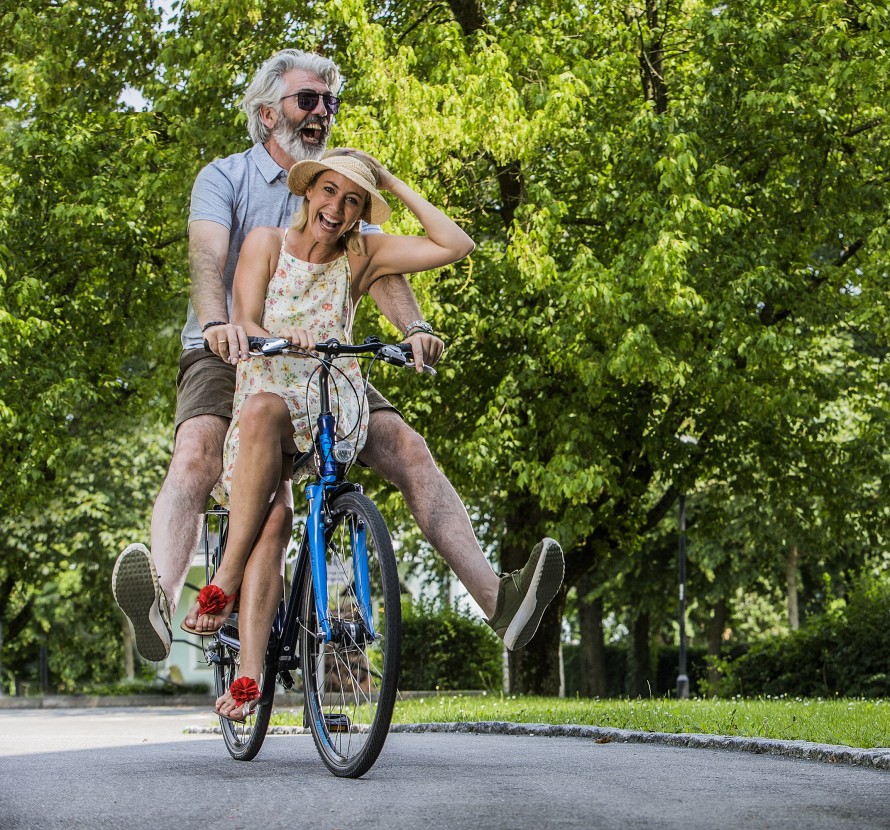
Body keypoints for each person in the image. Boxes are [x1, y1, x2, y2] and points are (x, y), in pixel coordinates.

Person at [111, 48, 563, 672]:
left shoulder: (342, 186)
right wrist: (218, 325)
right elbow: (208, 260)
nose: (322, 113)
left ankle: (498, 602)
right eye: (308, 101)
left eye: (330, 103)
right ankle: (161, 599)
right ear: (268, 113)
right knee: (197, 453)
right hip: (235, 348)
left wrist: (415, 328)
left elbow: (380, 271)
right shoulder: (227, 178)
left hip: (322, 358)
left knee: (408, 448)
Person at [205, 148, 479, 718]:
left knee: (377, 463)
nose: (337, 207)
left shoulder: (361, 254)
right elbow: (247, 318)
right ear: (309, 192)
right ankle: (245, 654)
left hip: (330, 397)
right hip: (269, 392)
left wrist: (390, 180)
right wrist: (280, 337)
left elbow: (455, 244)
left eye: (353, 200)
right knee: (272, 517)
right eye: (330, 192)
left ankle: (242, 594)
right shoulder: (264, 242)